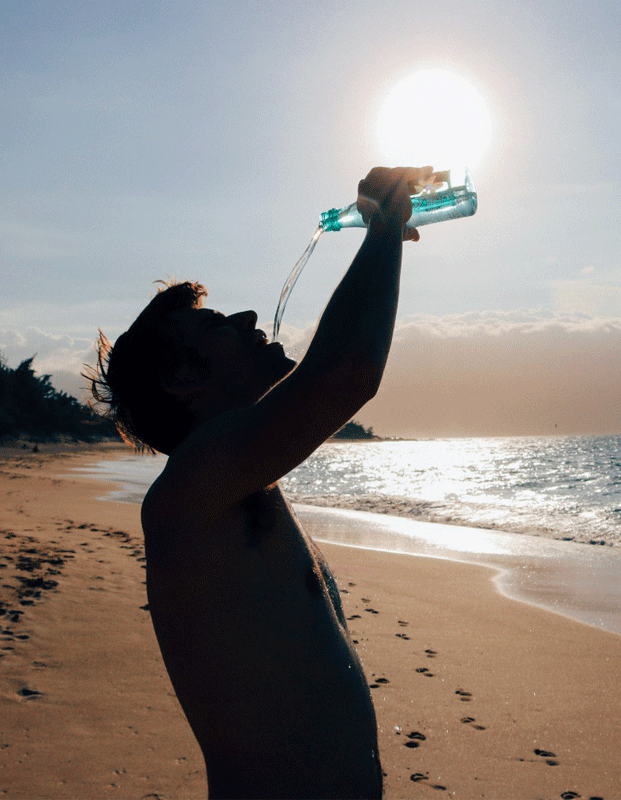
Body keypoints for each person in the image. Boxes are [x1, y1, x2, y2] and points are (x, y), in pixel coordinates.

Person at [88, 166, 431, 799]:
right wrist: (381, 229)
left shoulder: (237, 484)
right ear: (184, 380)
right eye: (215, 323)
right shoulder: (192, 487)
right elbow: (346, 373)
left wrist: (380, 237)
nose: (248, 314)